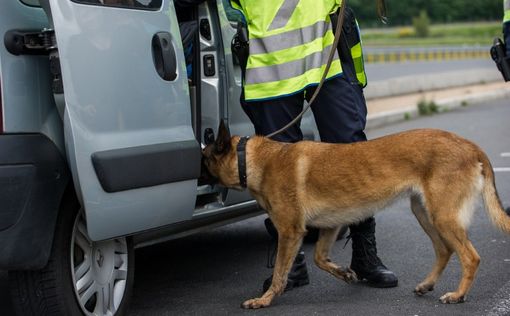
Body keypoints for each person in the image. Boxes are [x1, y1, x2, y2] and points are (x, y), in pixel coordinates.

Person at [229, 0, 398, 290]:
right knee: (276, 180)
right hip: (272, 74)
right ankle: (290, 268)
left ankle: (365, 255)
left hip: (326, 61)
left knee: (355, 157)